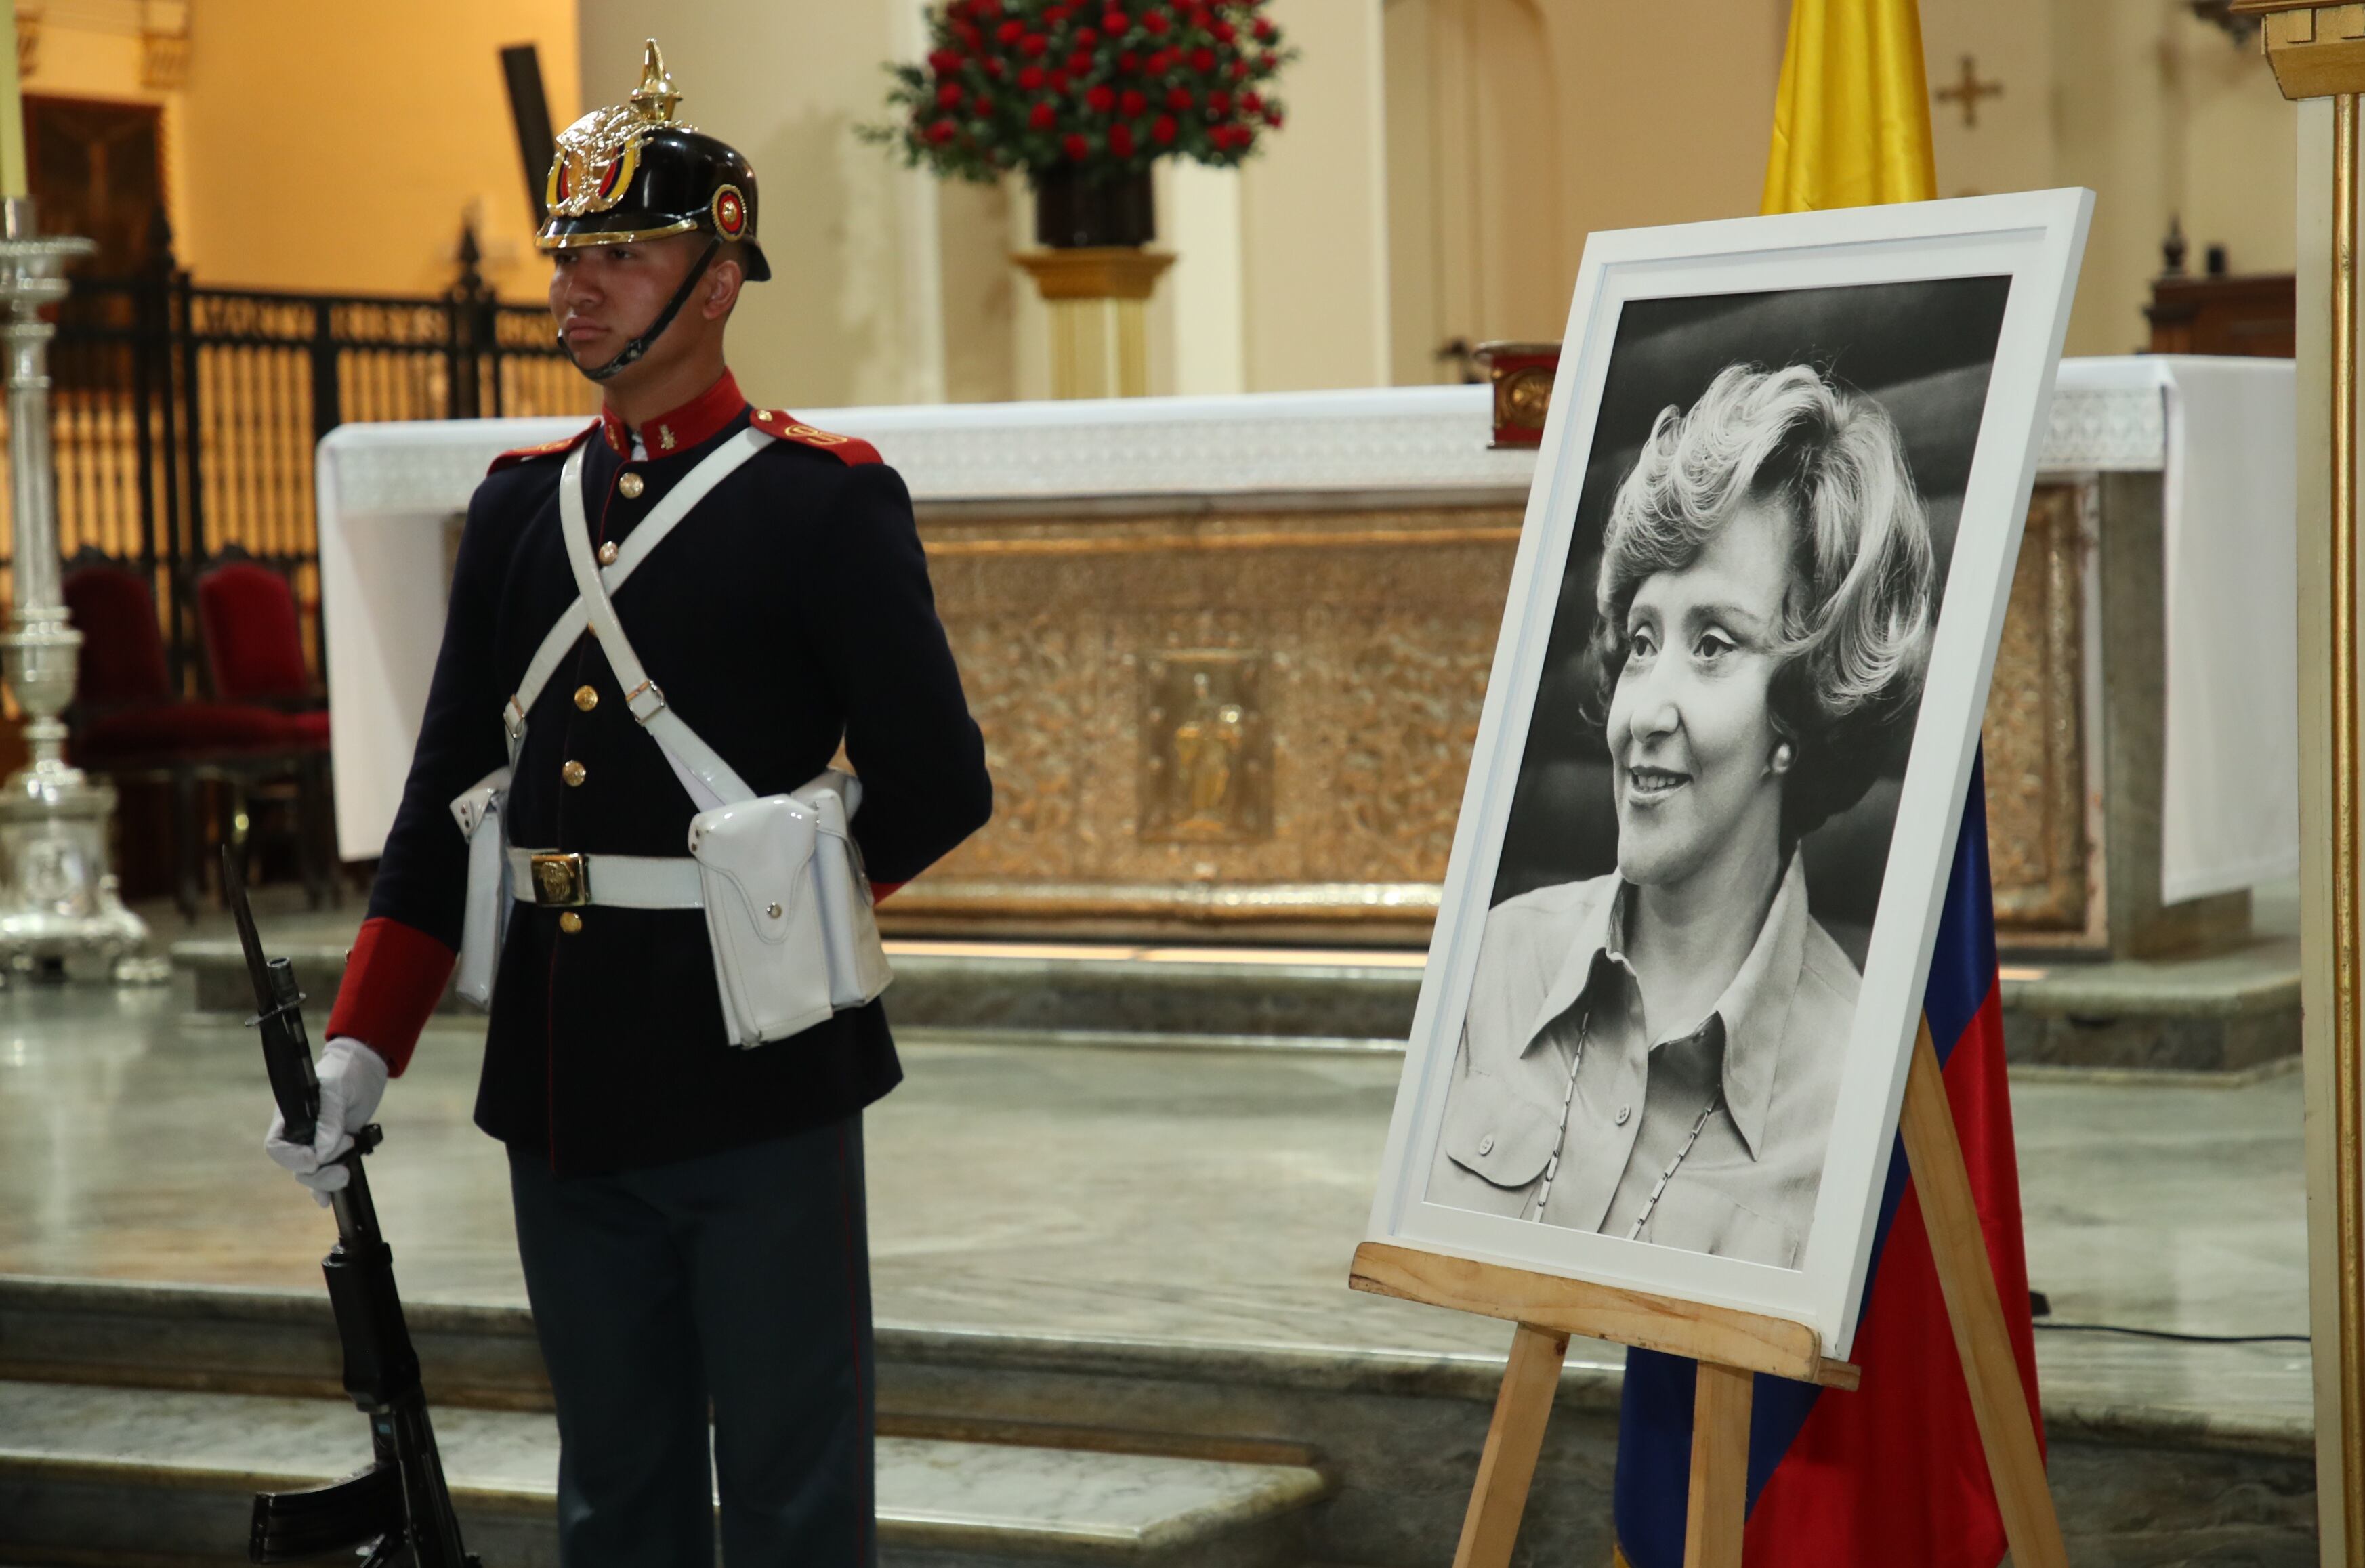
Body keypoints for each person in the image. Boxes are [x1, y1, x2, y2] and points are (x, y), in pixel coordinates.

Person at [263, 41, 992, 1566]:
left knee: (793, 1494)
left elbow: (938, 779)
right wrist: (361, 1042)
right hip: (562, 1066)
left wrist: (789, 901)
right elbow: (449, 784)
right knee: (615, 1482)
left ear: (717, 280)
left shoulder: (820, 499)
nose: (573, 290)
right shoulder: (524, 505)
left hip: (761, 1065)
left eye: (619, 255)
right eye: (566, 257)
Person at [1425, 362, 1934, 1271]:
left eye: (1713, 645)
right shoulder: (1492, 967)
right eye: (1644, 642)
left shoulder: (1862, 1090)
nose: (1642, 713)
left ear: (1803, 711)